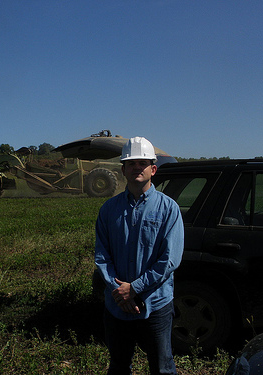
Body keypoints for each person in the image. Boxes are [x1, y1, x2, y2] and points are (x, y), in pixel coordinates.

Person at [94, 136, 184, 375]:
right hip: (117, 306)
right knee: (119, 365)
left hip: (155, 305)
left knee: (162, 367)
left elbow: (170, 259)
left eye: (142, 163)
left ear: (153, 170)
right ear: (123, 169)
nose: (137, 167)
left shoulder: (169, 209)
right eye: (131, 163)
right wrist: (120, 291)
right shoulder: (108, 210)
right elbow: (102, 256)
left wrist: (134, 288)